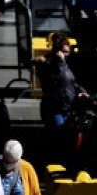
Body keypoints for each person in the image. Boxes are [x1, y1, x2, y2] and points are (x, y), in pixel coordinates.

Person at [38, 32, 87, 167]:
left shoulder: (67, 64)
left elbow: (72, 82)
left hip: (67, 107)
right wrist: (60, 63)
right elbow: (58, 81)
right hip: (55, 108)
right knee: (59, 135)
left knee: (68, 137)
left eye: (68, 52)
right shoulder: (51, 65)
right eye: (64, 52)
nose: (67, 55)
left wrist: (81, 92)